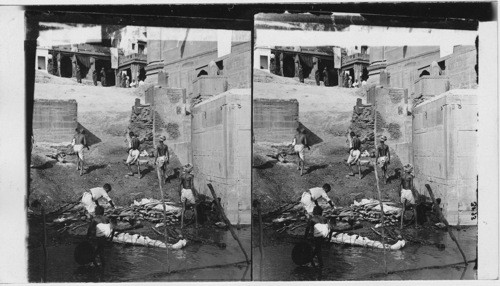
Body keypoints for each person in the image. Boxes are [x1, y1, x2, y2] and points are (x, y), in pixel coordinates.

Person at [179, 164, 198, 229]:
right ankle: (196, 225)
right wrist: (195, 194)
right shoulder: (191, 176)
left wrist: (179, 193)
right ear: (189, 170)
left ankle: (181, 225)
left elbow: (179, 184)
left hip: (183, 191)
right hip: (189, 191)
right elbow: (192, 186)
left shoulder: (182, 176)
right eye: (191, 169)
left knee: (183, 208)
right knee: (195, 208)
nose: (192, 170)